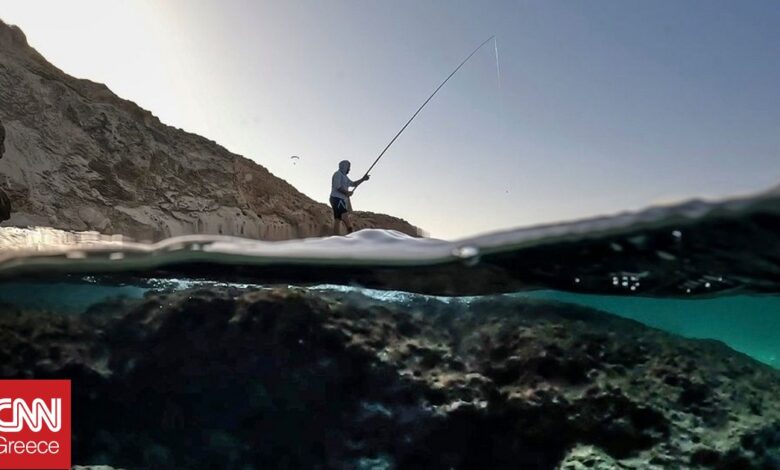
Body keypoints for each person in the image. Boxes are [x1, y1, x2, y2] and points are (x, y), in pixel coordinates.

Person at [330, 160, 369, 235]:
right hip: (336, 198)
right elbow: (337, 187)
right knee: (344, 217)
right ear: (344, 167)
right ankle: (350, 234)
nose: (349, 169)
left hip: (340, 199)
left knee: (338, 219)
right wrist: (347, 193)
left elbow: (354, 184)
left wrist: (363, 179)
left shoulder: (345, 177)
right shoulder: (337, 174)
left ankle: (336, 236)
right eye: (348, 167)